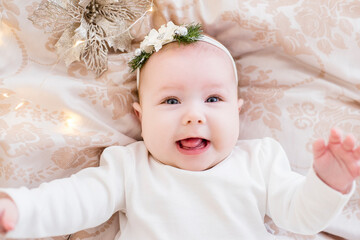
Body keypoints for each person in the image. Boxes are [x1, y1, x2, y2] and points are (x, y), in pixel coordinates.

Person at [0, 22, 359, 239]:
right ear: (141, 117)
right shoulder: (129, 167)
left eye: (213, 99)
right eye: (171, 101)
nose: (193, 116)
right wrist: (19, 209)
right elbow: (74, 201)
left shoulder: (260, 161)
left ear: (238, 112)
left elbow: (301, 216)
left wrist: (328, 182)